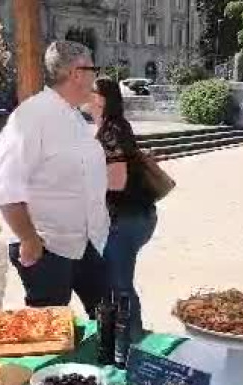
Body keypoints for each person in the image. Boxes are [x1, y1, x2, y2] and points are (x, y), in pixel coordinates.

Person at [0, 41, 109, 315]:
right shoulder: (32, 116)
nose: (95, 78)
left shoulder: (75, 116)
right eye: (93, 70)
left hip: (87, 242)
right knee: (49, 326)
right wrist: (28, 239)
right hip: (46, 247)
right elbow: (5, 187)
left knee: (107, 316)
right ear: (77, 73)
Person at [86, 77, 158, 342]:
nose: (85, 94)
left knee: (120, 286)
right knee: (117, 284)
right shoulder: (115, 126)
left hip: (125, 219)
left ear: (102, 99)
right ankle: (124, 339)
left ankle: (133, 342)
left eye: (91, 91)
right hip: (136, 216)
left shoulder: (110, 131)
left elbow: (116, 181)